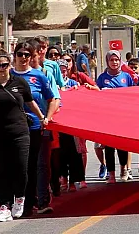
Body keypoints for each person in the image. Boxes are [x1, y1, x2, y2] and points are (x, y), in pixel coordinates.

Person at [0, 51, 49, 222]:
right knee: (0, 171)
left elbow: (31, 103)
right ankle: (5, 206)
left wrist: (42, 118)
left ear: (10, 65)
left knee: (20, 168)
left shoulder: (20, 83)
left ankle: (20, 198)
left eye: (4, 65)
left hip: (19, 133)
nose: (1, 69)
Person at [12, 42, 59, 215]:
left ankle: (41, 201)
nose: (23, 57)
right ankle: (18, 201)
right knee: (19, 166)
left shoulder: (39, 76)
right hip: (14, 129)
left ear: (32, 57)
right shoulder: (7, 76)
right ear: (14, 55)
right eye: (20, 54)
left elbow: (52, 99)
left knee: (40, 165)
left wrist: (46, 118)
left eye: (27, 54)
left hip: (38, 127)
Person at [97, 50, 136, 183]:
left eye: (117, 60)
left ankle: (123, 169)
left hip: (123, 118)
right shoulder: (102, 78)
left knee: (122, 145)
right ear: (107, 61)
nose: (114, 62)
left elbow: (134, 94)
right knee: (109, 146)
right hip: (108, 118)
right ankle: (111, 174)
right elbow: (96, 96)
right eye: (111, 60)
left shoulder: (127, 77)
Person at [56, 59, 88, 192]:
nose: (63, 70)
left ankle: (74, 181)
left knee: (75, 154)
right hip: (58, 124)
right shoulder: (54, 84)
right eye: (60, 68)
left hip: (72, 124)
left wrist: (79, 90)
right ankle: (63, 179)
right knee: (60, 153)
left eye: (65, 68)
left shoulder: (73, 83)